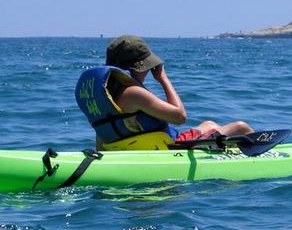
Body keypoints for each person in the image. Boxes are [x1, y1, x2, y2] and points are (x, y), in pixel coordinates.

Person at [75, 35, 254, 150]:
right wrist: (163, 79)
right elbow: (180, 117)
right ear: (137, 67)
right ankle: (267, 157)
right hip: (174, 147)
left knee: (208, 123)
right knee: (240, 126)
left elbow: (101, 136)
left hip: (131, 147)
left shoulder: (106, 97)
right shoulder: (134, 93)